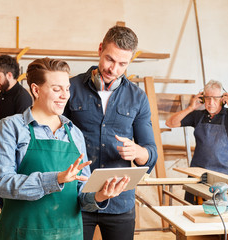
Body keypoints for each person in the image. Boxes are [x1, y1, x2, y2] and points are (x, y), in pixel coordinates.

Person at [0, 57, 129, 240]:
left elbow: (82, 195)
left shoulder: (75, 133)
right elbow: (2, 183)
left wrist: (100, 196)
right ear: (35, 90)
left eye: (67, 88)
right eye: (57, 89)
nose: (65, 95)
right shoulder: (11, 127)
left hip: (68, 234)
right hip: (21, 233)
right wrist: (55, 179)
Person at [64, 25, 158, 240]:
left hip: (120, 201)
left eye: (122, 64)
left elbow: (150, 151)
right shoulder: (70, 88)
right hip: (76, 197)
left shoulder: (138, 98)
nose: (113, 69)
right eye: (110, 59)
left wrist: (137, 152)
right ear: (100, 49)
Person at [166, 80, 228, 203]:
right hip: (198, 176)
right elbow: (170, 123)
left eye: (215, 98)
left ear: (223, 99)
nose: (211, 103)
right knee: (192, 211)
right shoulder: (197, 116)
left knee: (220, 214)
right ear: (202, 99)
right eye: (207, 98)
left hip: (223, 177)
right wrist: (190, 108)